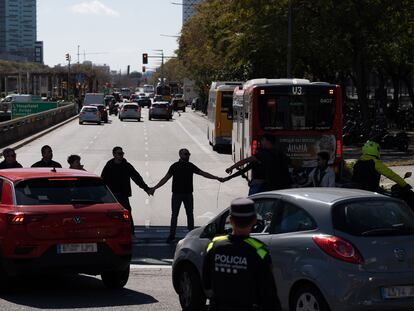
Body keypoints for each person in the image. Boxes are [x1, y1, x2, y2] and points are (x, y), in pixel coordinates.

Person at [202, 198, 281, 311]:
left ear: (230, 220)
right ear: (254, 220)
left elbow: (206, 283)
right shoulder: (259, 250)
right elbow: (268, 292)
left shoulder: (214, 245)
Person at [151, 148, 225, 243]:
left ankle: (191, 235)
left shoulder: (190, 166)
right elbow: (165, 179)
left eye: (188, 154)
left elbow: (203, 173)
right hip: (177, 194)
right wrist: (155, 188)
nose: (188, 156)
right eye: (186, 154)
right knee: (175, 215)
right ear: (180, 155)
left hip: (188, 194)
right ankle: (172, 235)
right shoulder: (174, 166)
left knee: (190, 214)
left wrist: (217, 178)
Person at [101, 146, 153, 235]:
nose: (121, 155)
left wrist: (146, 188)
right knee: (112, 215)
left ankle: (131, 232)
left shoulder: (126, 166)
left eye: (122, 153)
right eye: (119, 153)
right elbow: (103, 180)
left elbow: (136, 178)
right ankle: (112, 232)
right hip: (111, 196)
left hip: (123, 194)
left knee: (126, 213)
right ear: (114, 155)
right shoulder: (109, 165)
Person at [225, 134, 291, 195]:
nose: (261, 142)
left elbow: (245, 162)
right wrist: (229, 177)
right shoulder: (280, 153)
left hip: (263, 186)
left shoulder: (262, 154)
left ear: (267, 141)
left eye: (263, 140)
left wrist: (231, 168)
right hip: (281, 186)